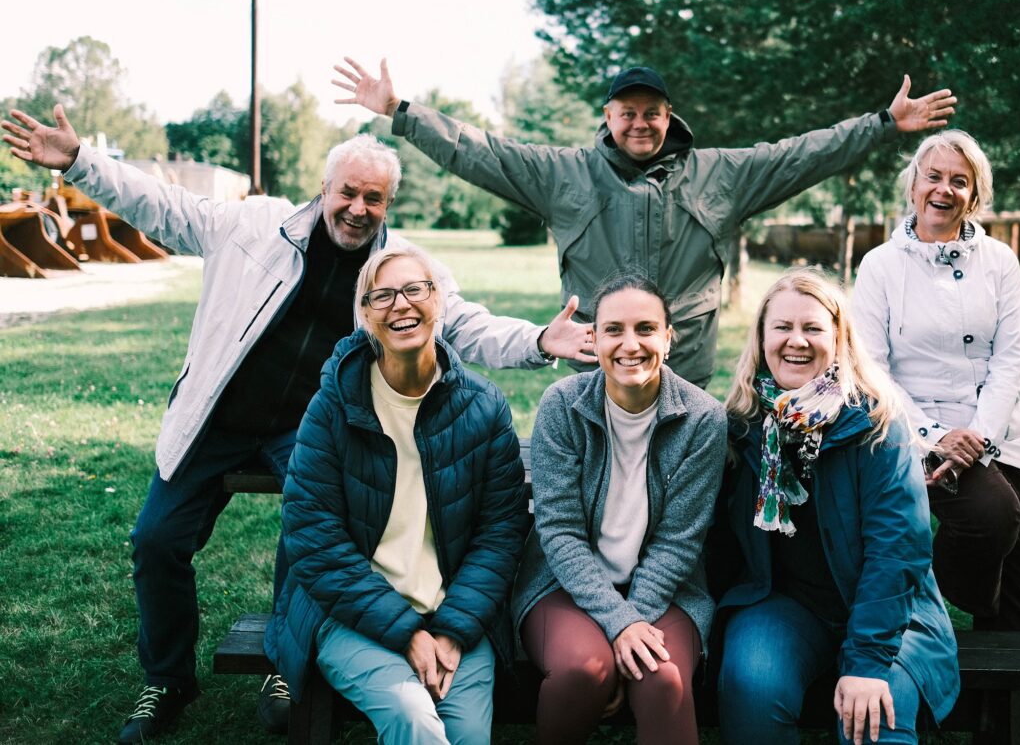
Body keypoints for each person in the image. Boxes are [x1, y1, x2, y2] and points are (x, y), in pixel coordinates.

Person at [1, 106, 593, 743]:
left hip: (307, 423)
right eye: (348, 192)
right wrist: (81, 161)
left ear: (388, 203)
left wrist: (539, 338)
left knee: (311, 525)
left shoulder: (399, 266)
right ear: (325, 188)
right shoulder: (255, 226)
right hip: (217, 417)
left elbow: (466, 324)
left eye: (374, 197)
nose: (358, 208)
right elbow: (165, 207)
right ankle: (167, 679)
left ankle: (286, 664)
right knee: (156, 540)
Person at [333, 57, 957, 387]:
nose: (640, 123)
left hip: (685, 371)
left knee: (685, 498)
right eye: (627, 112)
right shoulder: (563, 174)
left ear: (669, 116)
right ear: (608, 117)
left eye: (652, 112)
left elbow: (800, 155)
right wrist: (399, 112)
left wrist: (880, 125)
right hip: (594, 370)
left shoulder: (720, 174)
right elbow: (480, 151)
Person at [267, 243, 528, 744]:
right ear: (364, 317)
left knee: (469, 735)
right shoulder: (332, 407)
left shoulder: (484, 407)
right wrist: (406, 633)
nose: (401, 305)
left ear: (441, 303)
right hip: (350, 613)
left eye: (415, 289)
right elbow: (313, 540)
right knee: (413, 718)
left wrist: (452, 630)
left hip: (456, 614)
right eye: (382, 296)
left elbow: (500, 534)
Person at [714, 268, 959, 745]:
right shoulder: (743, 425)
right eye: (782, 327)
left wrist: (867, 661)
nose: (796, 341)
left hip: (891, 614)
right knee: (751, 685)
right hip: (786, 605)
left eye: (812, 328)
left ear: (839, 337)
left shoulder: (877, 423)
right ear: (762, 337)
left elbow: (899, 550)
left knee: (875, 720)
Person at [851, 130, 1020, 640]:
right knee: (991, 515)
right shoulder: (879, 265)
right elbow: (871, 368)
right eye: (933, 176)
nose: (944, 190)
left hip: (999, 429)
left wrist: (978, 437)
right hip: (909, 429)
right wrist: (936, 436)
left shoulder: (1000, 261)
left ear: (974, 195)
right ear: (913, 185)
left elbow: (1011, 360)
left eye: (959, 181)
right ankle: (941, 590)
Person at [511, 272, 727, 745]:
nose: (631, 344)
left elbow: (678, 541)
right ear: (594, 338)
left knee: (662, 678)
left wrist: (631, 620)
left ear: (669, 339)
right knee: (583, 670)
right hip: (564, 584)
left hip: (666, 591)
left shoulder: (702, 418)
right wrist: (618, 622)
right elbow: (560, 532)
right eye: (614, 329)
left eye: (646, 329)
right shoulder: (562, 406)